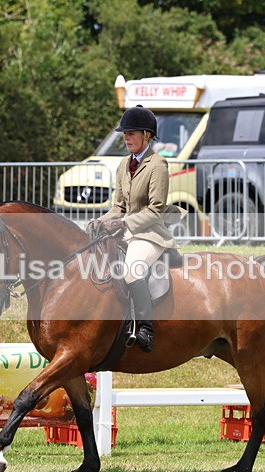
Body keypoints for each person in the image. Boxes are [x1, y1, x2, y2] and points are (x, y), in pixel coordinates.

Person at [86, 105, 183, 353]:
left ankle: (145, 330)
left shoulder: (157, 164)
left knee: (131, 271)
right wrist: (102, 221)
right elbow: (118, 206)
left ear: (147, 136)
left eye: (131, 133)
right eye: (124, 133)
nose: (125, 137)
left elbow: (155, 209)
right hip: (126, 231)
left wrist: (125, 223)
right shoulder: (122, 165)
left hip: (150, 233)